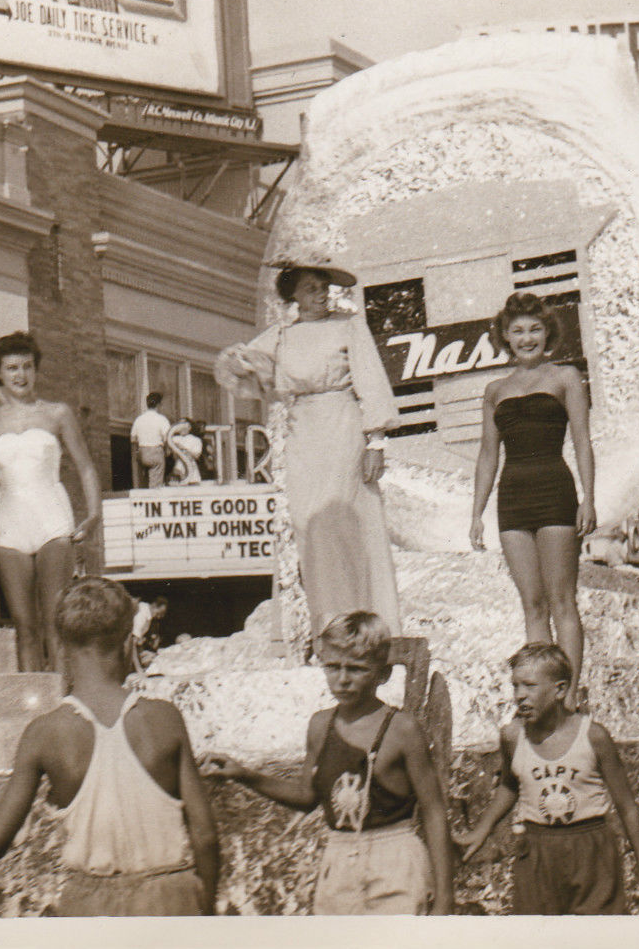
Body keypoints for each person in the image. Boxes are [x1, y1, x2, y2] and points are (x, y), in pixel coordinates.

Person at [0, 578, 218, 916]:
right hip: (169, 899)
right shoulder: (164, 718)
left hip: (91, 907)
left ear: (61, 648)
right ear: (129, 644)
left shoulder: (45, 733)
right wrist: (207, 910)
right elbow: (205, 836)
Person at [202, 612, 453, 915]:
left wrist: (445, 896)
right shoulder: (321, 725)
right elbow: (307, 796)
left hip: (396, 857)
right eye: (333, 667)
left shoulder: (402, 729)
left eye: (356, 669)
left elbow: (434, 810)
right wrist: (245, 775)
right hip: (340, 858)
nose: (343, 679)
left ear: (382, 674)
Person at [215, 264, 401, 638]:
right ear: (293, 297)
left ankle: (373, 625)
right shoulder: (281, 337)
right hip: (303, 433)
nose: (320, 294)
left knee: (349, 520)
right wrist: (238, 362)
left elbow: (372, 382)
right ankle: (331, 626)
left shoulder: (348, 326)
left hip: (344, 426)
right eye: (311, 288)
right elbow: (241, 372)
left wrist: (375, 441)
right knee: (310, 524)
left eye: (323, 287)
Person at [456, 643, 639, 915]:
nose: (520, 696)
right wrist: (481, 830)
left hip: (591, 850)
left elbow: (627, 808)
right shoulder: (512, 737)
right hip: (537, 851)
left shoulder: (593, 737)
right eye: (515, 686)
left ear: (560, 690)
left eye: (530, 686)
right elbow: (510, 785)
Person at [469, 293, 596, 707]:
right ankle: (541, 699)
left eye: (535, 329)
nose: (527, 338)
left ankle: (570, 695)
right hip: (512, 497)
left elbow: (581, 439)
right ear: (505, 336)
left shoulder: (565, 377)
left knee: (562, 600)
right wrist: (476, 514)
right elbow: (488, 454)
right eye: (518, 330)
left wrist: (588, 499)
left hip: (554, 491)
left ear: (548, 334)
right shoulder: (494, 390)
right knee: (532, 604)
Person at [0, 332, 102, 673]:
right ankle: (35, 713)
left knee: (54, 622)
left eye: (28, 367)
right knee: (24, 626)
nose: (21, 375)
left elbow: (86, 467)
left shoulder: (57, 414)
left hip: (51, 518)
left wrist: (93, 516)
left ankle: (61, 706)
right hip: (9, 523)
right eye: (12, 368)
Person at [130, 391, 170, 489]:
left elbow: (133, 438)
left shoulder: (139, 419)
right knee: (155, 485)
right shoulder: (161, 419)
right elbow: (167, 438)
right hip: (156, 451)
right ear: (159, 404)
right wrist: (167, 451)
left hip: (142, 452)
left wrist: (137, 453)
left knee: (141, 484)